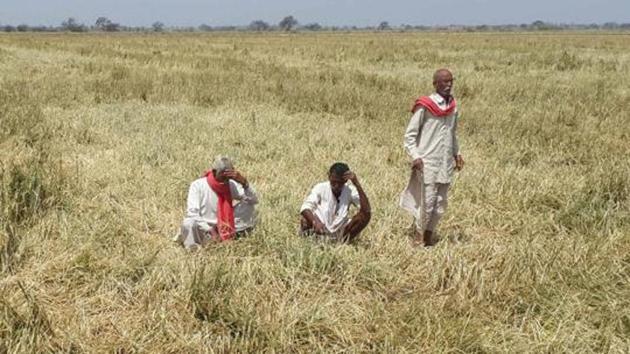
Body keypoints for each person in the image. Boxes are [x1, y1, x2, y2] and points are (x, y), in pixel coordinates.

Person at [400, 69, 464, 247]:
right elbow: (409, 136)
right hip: (427, 161)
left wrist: (456, 153)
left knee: (441, 203)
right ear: (435, 84)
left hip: (445, 162)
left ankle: (429, 235)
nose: (448, 85)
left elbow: (453, 133)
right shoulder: (425, 105)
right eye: (444, 82)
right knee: (427, 201)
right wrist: (415, 156)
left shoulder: (453, 106)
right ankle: (420, 236)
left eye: (450, 81)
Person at [176, 155, 258, 250]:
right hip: (204, 230)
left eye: (228, 176)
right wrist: (210, 229)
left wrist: (244, 183)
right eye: (223, 175)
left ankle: (229, 236)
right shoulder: (198, 185)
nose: (226, 180)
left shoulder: (230, 184)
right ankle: (194, 250)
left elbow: (254, 200)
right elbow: (192, 213)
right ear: (214, 172)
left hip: (223, 227)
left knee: (249, 205)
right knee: (188, 222)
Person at [299, 162, 371, 242]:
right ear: (329, 177)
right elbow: (305, 207)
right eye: (333, 182)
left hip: (340, 229)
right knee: (305, 219)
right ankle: (309, 240)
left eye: (340, 183)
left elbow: (366, 210)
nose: (336, 186)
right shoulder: (320, 187)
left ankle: (342, 241)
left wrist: (357, 184)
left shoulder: (350, 191)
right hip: (321, 227)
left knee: (364, 217)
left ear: (345, 180)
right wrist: (315, 222)